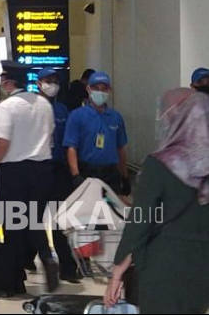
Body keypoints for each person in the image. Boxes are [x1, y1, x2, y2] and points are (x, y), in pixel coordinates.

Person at [104, 88, 209, 313]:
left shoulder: (160, 164)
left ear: (178, 116)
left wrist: (117, 272)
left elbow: (140, 221)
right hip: (202, 268)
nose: (161, 118)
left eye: (165, 112)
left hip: (163, 266)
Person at [0, 62, 60, 293]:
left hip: (14, 172)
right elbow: (50, 136)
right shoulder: (44, 105)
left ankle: (13, 279)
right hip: (43, 170)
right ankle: (46, 256)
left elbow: (3, 143)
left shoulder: (7, 107)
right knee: (34, 220)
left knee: (13, 225)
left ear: (8, 82)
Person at [34, 68, 80, 283]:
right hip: (38, 169)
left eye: (55, 81)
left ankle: (67, 267)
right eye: (47, 81)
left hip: (59, 170)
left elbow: (70, 141)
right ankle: (31, 257)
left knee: (59, 219)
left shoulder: (63, 110)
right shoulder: (31, 108)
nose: (52, 85)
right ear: (38, 83)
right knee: (33, 218)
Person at [64, 71, 129, 194]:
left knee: (110, 211)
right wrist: (75, 175)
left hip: (111, 173)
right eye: (96, 88)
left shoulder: (116, 117)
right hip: (87, 172)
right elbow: (71, 147)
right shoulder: (77, 116)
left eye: (104, 89)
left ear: (109, 91)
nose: (100, 92)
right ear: (88, 89)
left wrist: (124, 176)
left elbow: (121, 148)